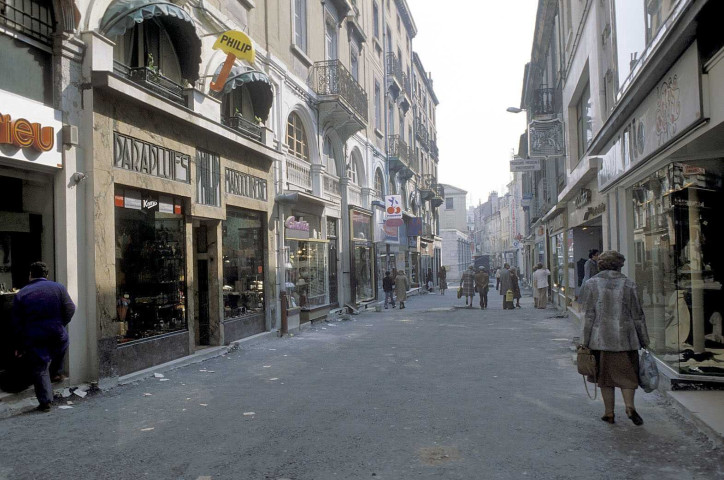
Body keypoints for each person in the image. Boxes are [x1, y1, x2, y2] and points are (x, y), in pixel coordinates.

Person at [580, 251, 649, 426]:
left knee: (605, 379)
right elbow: (638, 315)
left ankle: (609, 413)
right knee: (628, 376)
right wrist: (644, 339)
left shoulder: (591, 284)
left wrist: (584, 340)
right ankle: (629, 406)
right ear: (619, 265)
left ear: (600, 265)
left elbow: (588, 315)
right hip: (626, 339)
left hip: (601, 340)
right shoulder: (628, 284)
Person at [11, 262, 76, 412]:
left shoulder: (22, 294)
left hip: (35, 336)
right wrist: (61, 323)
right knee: (62, 346)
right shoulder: (58, 288)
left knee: (40, 368)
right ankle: (57, 372)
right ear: (46, 275)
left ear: (30, 275)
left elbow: (17, 322)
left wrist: (19, 345)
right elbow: (70, 308)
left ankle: (45, 402)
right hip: (57, 332)